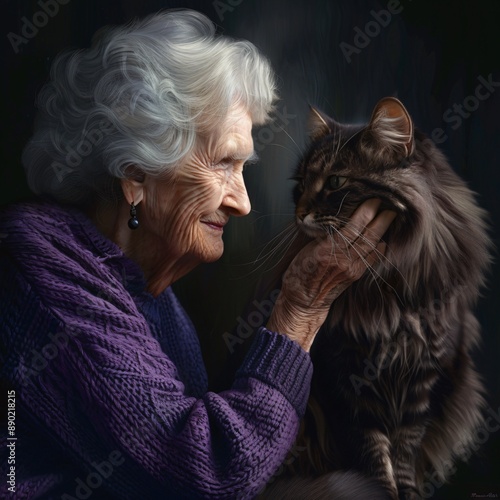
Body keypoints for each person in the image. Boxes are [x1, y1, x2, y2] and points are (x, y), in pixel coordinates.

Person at [0, 10, 395, 499]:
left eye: (243, 168)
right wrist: (301, 311)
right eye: (225, 164)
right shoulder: (43, 271)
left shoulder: (151, 292)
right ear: (136, 172)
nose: (244, 202)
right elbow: (209, 472)